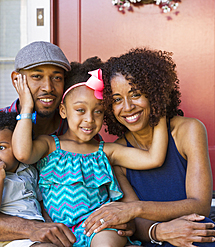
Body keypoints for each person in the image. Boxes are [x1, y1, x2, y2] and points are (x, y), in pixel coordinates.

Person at [11, 57, 168, 247]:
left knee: (106, 244)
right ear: (63, 110)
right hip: (59, 231)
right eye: (80, 110)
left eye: (98, 111)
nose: (89, 119)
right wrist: (27, 107)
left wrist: (159, 107)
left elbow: (154, 158)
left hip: (99, 227)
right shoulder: (49, 145)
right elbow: (22, 153)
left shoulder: (106, 151)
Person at [83, 48, 215, 246]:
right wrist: (160, 231)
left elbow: (200, 205)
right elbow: (135, 225)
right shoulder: (117, 153)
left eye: (135, 94)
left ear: (154, 94)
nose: (127, 107)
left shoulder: (188, 131)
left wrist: (135, 209)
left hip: (194, 234)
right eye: (117, 99)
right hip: (154, 239)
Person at [0, 41, 78, 247]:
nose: (48, 87)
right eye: (37, 77)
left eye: (56, 78)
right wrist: (32, 228)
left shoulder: (76, 131)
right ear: (17, 80)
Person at [0, 111, 55, 247]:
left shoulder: (28, 170)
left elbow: (39, 201)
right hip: (9, 236)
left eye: (1, 147)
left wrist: (49, 222)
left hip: (36, 230)